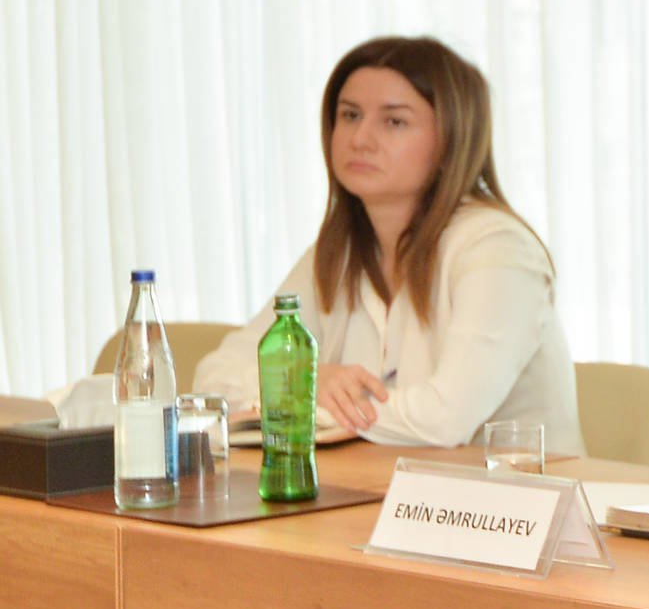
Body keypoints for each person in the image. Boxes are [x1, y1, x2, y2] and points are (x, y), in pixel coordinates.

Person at [195, 36, 581, 454]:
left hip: (509, 494)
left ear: (452, 141)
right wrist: (305, 384)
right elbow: (213, 378)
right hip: (376, 486)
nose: (360, 138)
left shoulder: (497, 249)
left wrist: (299, 394)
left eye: (394, 121)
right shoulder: (338, 253)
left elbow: (446, 418)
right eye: (350, 115)